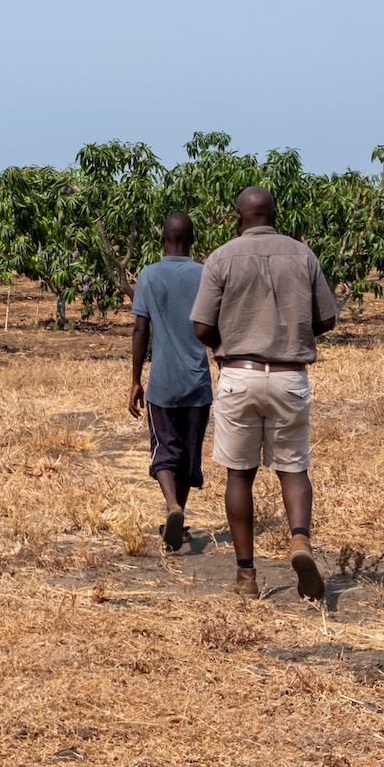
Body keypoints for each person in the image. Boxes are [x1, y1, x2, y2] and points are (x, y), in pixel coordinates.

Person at [189, 186, 338, 600]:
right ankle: (300, 541)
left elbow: (201, 327)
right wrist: (293, 327)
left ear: (237, 216)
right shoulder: (303, 255)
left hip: (240, 373)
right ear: (275, 213)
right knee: (293, 467)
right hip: (290, 375)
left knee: (239, 474)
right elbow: (327, 318)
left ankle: (246, 577)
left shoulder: (220, 258)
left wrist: (233, 334)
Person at [128, 211, 212, 552]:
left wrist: (135, 380)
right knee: (189, 455)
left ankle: (172, 508)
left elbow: (140, 329)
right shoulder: (205, 274)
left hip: (162, 382)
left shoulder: (148, 275)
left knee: (164, 450)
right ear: (192, 241)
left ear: (162, 239)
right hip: (198, 382)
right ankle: (179, 512)